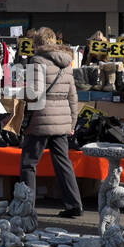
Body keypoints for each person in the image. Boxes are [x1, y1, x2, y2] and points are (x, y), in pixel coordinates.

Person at [19, 27, 84, 219]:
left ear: (37, 44)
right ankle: (74, 205)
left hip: (40, 119)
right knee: (63, 162)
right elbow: (73, 96)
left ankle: (26, 206)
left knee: (28, 164)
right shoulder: (67, 64)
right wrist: (72, 122)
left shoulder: (37, 61)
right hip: (62, 120)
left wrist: (19, 94)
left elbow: (35, 93)